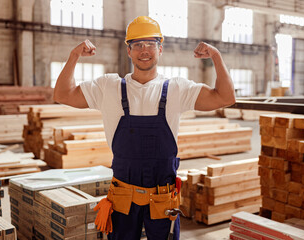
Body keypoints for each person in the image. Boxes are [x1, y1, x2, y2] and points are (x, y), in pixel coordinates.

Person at [54, 16, 235, 240]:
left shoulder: (178, 89)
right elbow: (62, 94)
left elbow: (225, 97)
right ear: (128, 51)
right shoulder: (108, 87)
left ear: (160, 48)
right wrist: (74, 56)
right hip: (122, 196)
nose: (144, 50)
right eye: (137, 44)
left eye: (150, 44)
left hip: (162, 197)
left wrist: (216, 56)